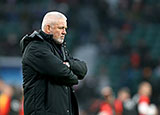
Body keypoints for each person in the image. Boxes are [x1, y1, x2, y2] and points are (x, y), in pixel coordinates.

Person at [20, 11, 87, 115]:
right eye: (61, 28)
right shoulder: (35, 48)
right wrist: (72, 76)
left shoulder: (60, 50)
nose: (64, 32)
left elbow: (83, 69)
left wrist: (68, 65)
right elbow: (65, 74)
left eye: (65, 28)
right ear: (48, 28)